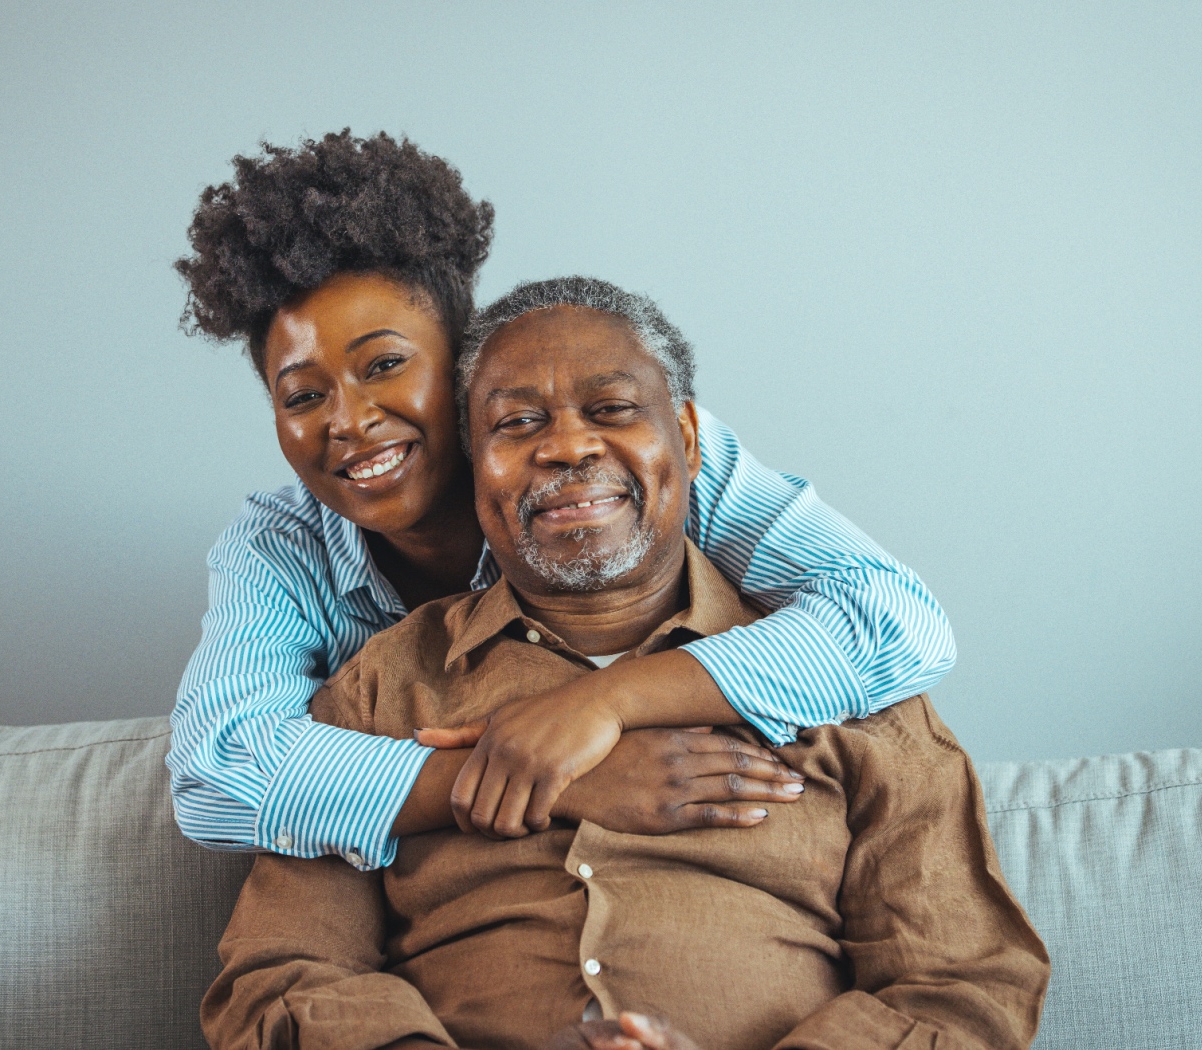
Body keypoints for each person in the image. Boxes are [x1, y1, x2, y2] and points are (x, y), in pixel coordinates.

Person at [201, 277, 1049, 1050]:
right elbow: (282, 975)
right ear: (471, 460)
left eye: (611, 409)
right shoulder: (375, 696)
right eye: (517, 423)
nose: (568, 446)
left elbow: (960, 989)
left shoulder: (857, 688)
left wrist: (605, 704)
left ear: (689, 437)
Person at [169, 131, 957, 870]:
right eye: (303, 395)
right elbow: (214, 776)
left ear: (468, 365)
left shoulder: (637, 458)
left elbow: (895, 621)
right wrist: (556, 776)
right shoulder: (282, 546)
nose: (348, 421)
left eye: (384, 366)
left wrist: (607, 704)